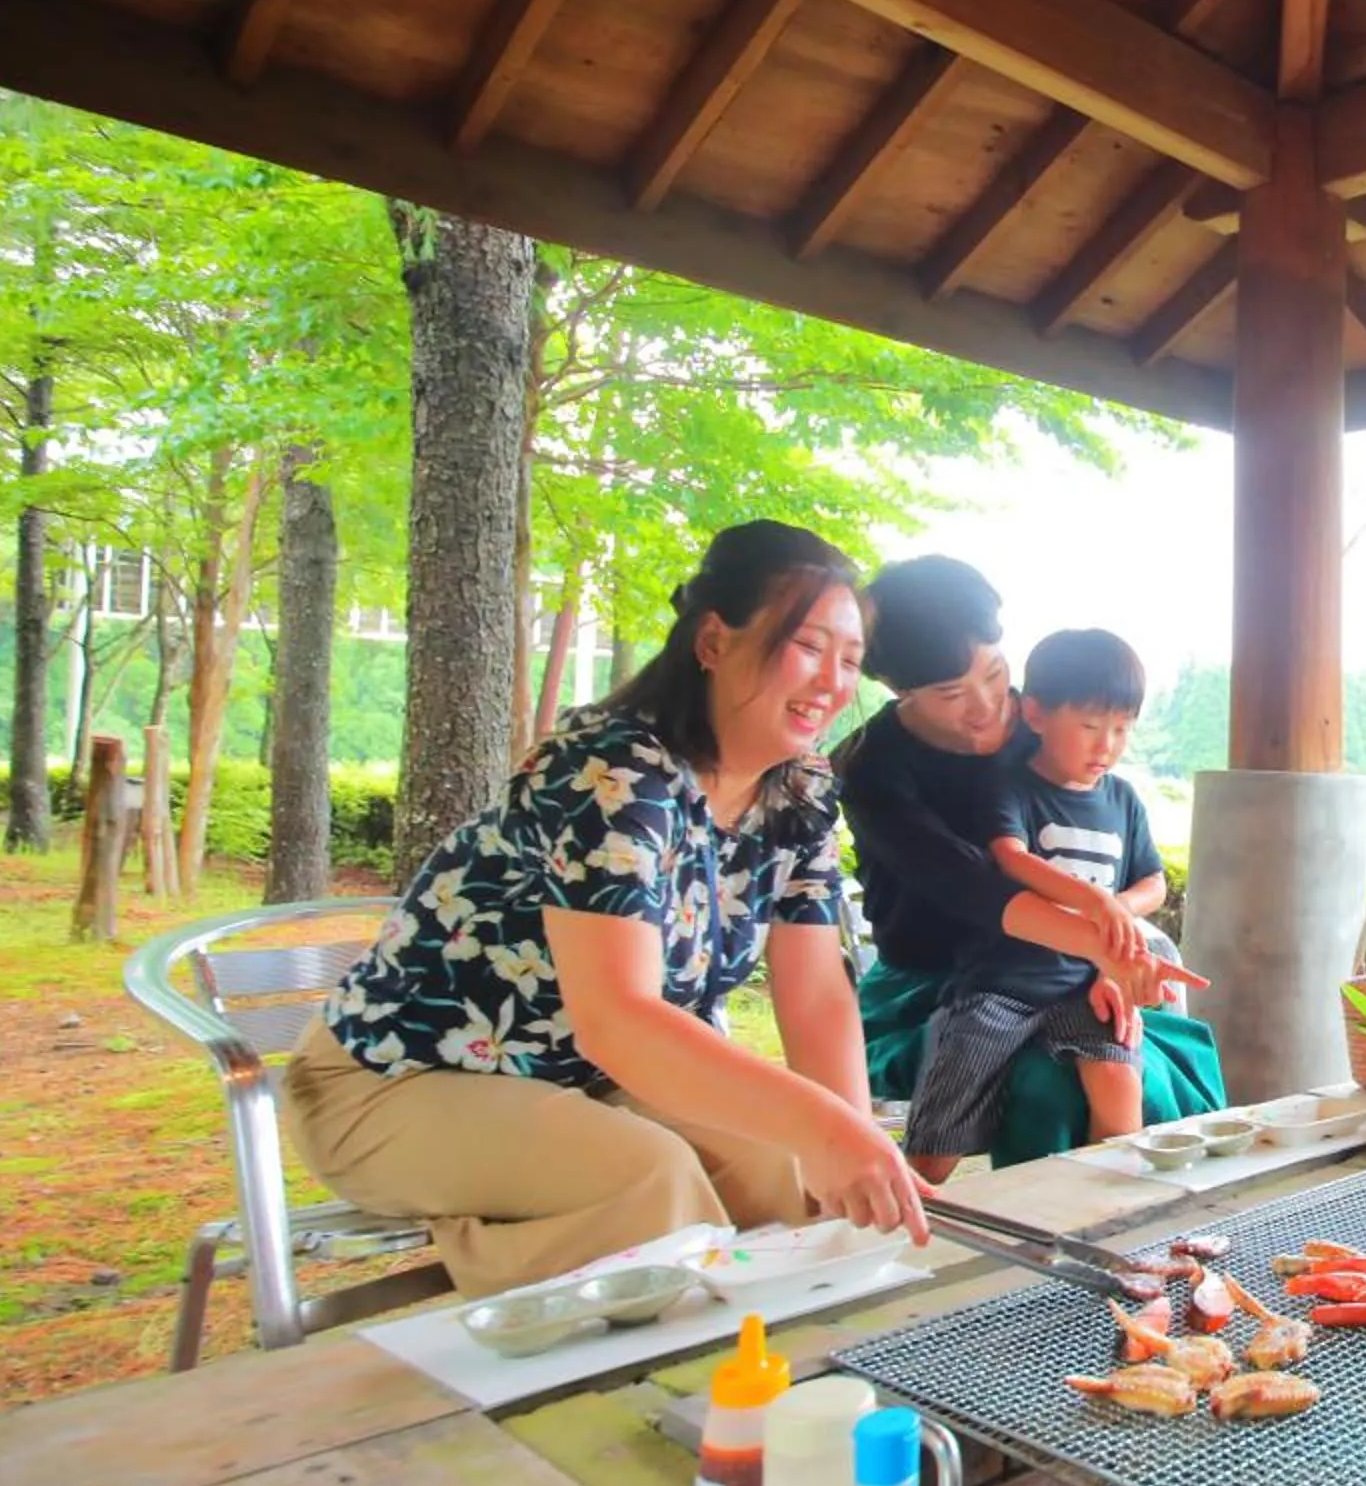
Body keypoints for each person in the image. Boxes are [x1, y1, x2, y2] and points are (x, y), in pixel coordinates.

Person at [283, 521, 930, 1298]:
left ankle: (765, 1377)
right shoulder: (612, 771)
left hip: (584, 1084)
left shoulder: (800, 793)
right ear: (715, 642)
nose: (832, 680)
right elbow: (618, 1016)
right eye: (807, 645)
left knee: (780, 1170)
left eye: (850, 660)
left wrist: (851, 1146)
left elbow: (817, 991)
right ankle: (479, 1314)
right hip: (392, 1080)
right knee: (651, 1184)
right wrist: (827, 1129)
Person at [835, 557, 1223, 1165]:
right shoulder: (873, 768)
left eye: (995, 673)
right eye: (951, 693)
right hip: (935, 983)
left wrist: (1105, 956)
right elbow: (975, 886)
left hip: (1067, 965)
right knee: (1047, 1088)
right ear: (898, 689)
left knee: (1137, 1069)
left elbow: (1106, 850)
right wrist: (1103, 945)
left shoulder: (1047, 718)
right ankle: (1018, 1242)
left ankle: (1143, 1228)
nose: (987, 706)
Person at [904, 629, 1169, 1179]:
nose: (1107, 745)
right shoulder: (1010, 785)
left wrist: (1116, 914)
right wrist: (1096, 901)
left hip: (1085, 984)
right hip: (1002, 984)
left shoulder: (1122, 798)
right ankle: (912, 1205)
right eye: (1091, 727)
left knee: (1119, 1082)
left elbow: (1155, 882)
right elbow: (1011, 858)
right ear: (1036, 714)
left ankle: (1102, 1203)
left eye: (1122, 729)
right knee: (943, 1118)